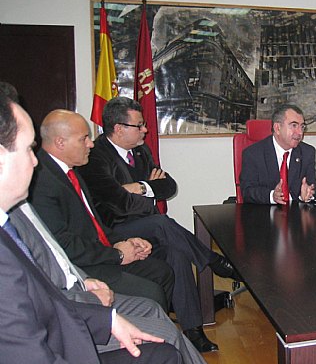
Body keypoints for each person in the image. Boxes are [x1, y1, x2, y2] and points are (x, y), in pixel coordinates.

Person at [0, 90, 243, 364]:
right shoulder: (90, 161)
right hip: (105, 252)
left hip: (112, 244)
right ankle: (214, 265)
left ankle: (196, 334)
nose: (34, 159)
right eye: (29, 149)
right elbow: (114, 205)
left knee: (172, 251)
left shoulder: (126, 157)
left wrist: (139, 191)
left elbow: (166, 186)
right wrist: (120, 245)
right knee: (160, 226)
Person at [30, 109, 217, 353]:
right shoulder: (45, 181)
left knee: (172, 258)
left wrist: (128, 239)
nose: (90, 143)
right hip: (88, 265)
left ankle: (181, 336)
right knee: (155, 267)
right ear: (60, 142)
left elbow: (166, 186)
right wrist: (118, 253)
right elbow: (66, 243)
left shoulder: (72, 170)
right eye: (83, 138)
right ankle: (155, 347)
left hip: (112, 239)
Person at [78, 96, 238, 281]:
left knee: (177, 255)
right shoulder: (95, 156)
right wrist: (149, 193)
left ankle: (193, 311)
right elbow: (120, 204)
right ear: (119, 129)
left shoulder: (141, 150)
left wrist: (141, 187)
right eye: (139, 126)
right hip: (115, 231)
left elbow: (169, 186)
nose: (145, 130)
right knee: (161, 222)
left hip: (147, 224)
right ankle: (215, 262)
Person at [240, 104, 316, 204]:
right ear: (277, 128)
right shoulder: (253, 154)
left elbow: (313, 188)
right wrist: (272, 196)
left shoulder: (307, 152)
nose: (299, 133)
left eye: (302, 127)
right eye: (294, 125)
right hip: (263, 214)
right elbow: (247, 191)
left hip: (295, 215)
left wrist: (308, 195)